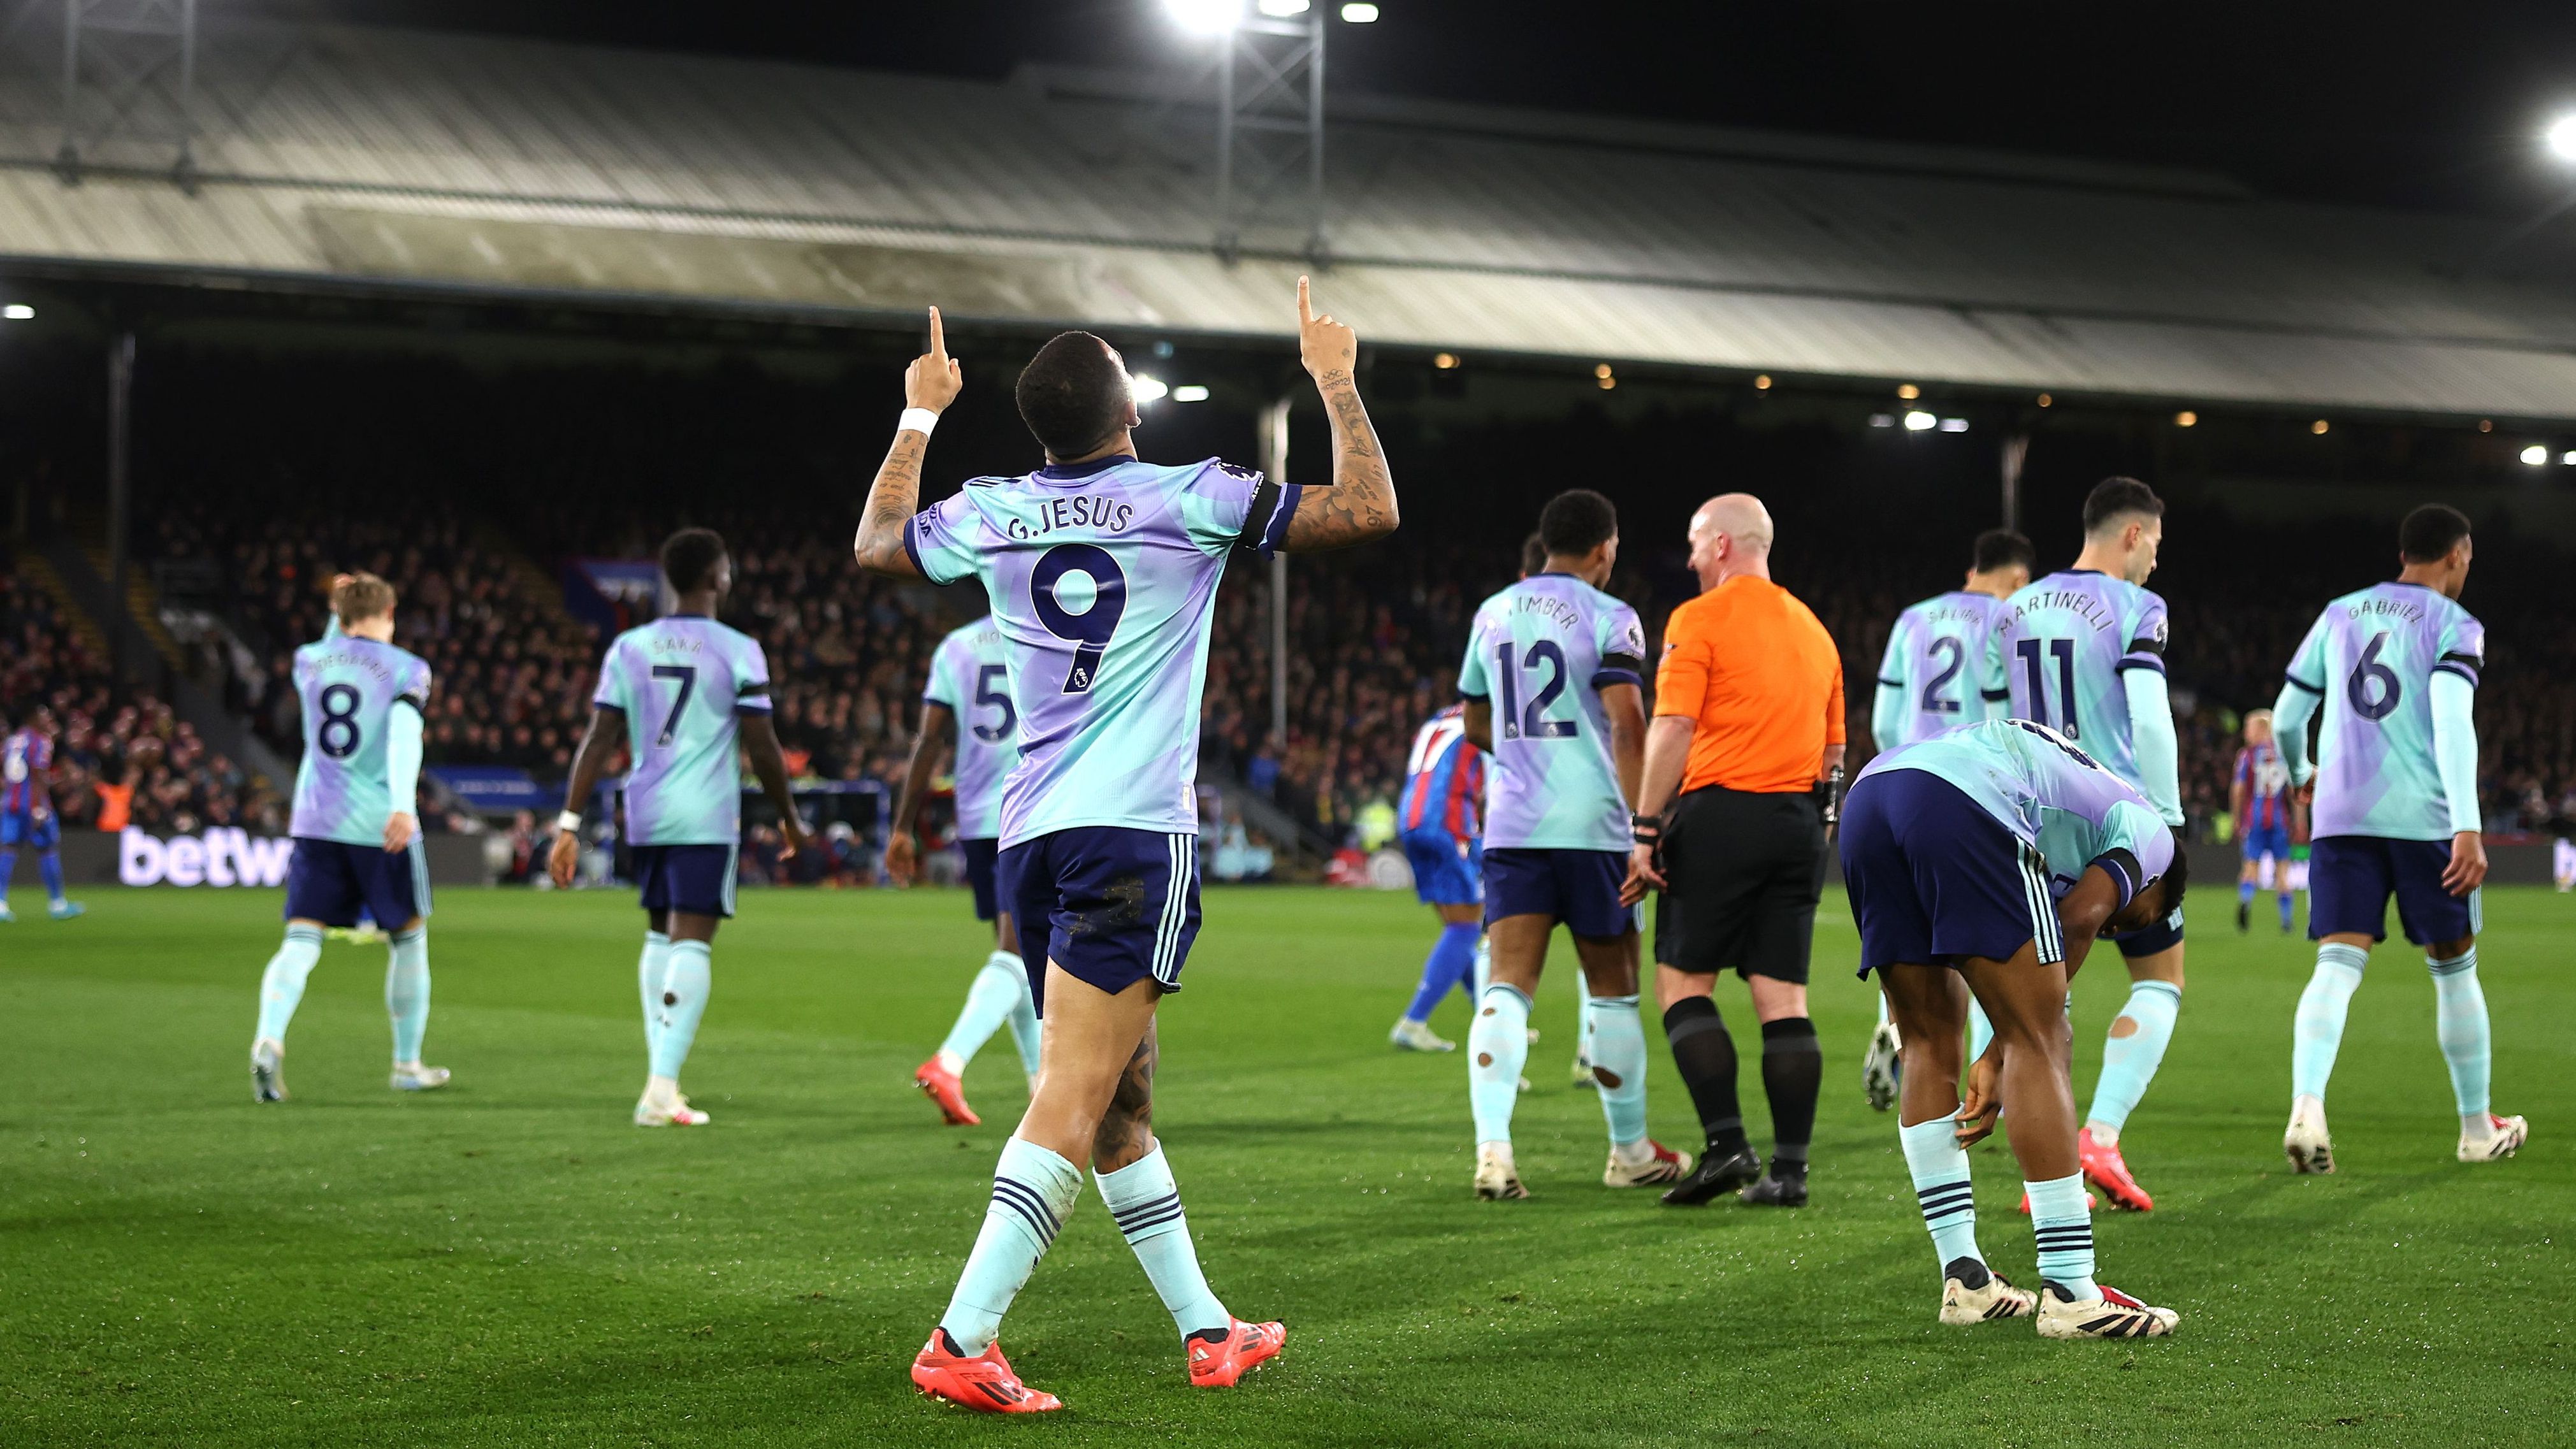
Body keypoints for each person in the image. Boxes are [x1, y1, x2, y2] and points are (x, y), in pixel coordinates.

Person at [858, 284, 1396, 1412]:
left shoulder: (994, 505)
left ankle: (1209, 1328)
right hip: (1133, 836)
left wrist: (919, 414)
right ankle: (963, 1335)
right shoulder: (1185, 492)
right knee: (1071, 1093)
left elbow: (876, 542)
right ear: (1129, 414)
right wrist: (1333, 375)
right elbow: (1367, 510)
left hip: (1033, 831)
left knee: (1119, 1101)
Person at [1842, 717, 2185, 1337]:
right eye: (2135, 922)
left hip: (1872, 794)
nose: (2119, 931)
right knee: (2043, 1037)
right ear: (2160, 890)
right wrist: (2001, 1050)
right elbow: (2083, 916)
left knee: (1925, 1040)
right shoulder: (2152, 836)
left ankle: (1965, 1280)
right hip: (1964, 796)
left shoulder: (2080, 794)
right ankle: (2072, 1291)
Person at [2273, 504, 2526, 1172]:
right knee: (2452, 968)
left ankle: (2306, 1106)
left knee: (2334, 967)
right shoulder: (2454, 625)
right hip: (2423, 820)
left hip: (2341, 814)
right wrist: (2467, 827)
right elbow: (2451, 722)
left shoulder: (2339, 613)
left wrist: (2303, 774)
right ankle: (2475, 1128)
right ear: (2457, 555)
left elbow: (2288, 714)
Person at [1460, 488, 1689, 1200]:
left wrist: (1525, 763)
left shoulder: (1493, 611)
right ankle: (1628, 1152)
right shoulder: (1611, 616)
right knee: (1614, 992)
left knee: (1506, 986)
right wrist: (1644, 824)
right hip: (1593, 827)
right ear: (1603, 549)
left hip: (1514, 826)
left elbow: (1474, 721)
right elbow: (1627, 726)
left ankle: (1493, 1152)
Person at [1623, 493, 1845, 1208]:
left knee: (1683, 985)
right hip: (1798, 822)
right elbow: (1836, 749)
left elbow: (1673, 727)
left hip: (1721, 813)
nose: (1689, 558)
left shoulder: (1698, 618)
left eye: (1694, 544)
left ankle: (1725, 1145)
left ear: (1720, 545)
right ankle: (1789, 1171)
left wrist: (1645, 829)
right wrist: (1819, 829)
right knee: (1783, 998)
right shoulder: (1816, 630)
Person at [549, 529, 811, 1128]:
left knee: (658, 938)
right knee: (691, 941)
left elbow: (598, 740)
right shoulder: (738, 648)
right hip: (706, 815)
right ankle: (661, 1089)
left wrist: (567, 823)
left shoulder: (629, 647)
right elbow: (764, 746)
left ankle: (661, 1080)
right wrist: (791, 820)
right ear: (718, 577)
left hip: (645, 812)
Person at [1984, 477, 2183, 1213]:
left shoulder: (2010, 611)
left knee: (2035, 998)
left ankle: (2048, 1175)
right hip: (2113, 823)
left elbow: (1995, 725)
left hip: (2030, 820)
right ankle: (2099, 1136)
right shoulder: (2137, 606)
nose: (2155, 562)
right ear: (2132, 534)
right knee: (2159, 979)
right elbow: (2152, 716)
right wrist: (2167, 819)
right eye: (2155, 544)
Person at [248, 573, 446, 1102]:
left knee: (301, 939)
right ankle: (406, 1064)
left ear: (339, 614)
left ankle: (269, 1038)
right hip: (381, 821)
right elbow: (405, 735)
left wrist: (339, 603)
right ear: (390, 610)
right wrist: (404, 804)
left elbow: (338, 643)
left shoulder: (310, 659)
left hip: (316, 819)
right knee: (408, 938)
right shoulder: (408, 668)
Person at [1859, 528, 2035, 1109]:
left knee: (1908, 940)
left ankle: (1894, 1028)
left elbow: (1885, 717)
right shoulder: (2012, 619)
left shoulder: (1913, 619)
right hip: (1974, 791)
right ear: (2016, 578)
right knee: (1990, 946)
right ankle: (1994, 1084)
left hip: (1898, 789)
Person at [891, 609, 1041, 1124]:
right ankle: (949, 1063)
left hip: (979, 816)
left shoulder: (955, 646)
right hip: (1035, 807)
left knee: (1019, 954)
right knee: (1017, 951)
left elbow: (929, 740)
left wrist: (902, 825)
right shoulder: (1048, 626)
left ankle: (1043, 1086)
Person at [1389, 701, 1486, 1052]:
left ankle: (1493, 1018)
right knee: (1466, 927)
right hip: (1448, 821)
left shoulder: (1441, 717)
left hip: (1412, 818)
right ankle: (1414, 1021)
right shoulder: (1491, 713)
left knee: (1455, 928)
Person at [1, 706, 85, 922]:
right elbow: (38, 775)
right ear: (33, 718)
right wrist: (38, 807)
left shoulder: (13, 740)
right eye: (44, 716)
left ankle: (0, 904)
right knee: (48, 849)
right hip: (33, 803)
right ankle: (57, 904)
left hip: (11, 802)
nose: (48, 719)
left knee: (8, 849)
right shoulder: (41, 741)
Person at [2230, 709, 2299, 934]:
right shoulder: (2284, 755)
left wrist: (2237, 817)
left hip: (2255, 820)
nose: (2245, 733)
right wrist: (2300, 823)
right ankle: (2286, 921)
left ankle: (2246, 901)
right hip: (2280, 821)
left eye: (2248, 727)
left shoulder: (2247, 756)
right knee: (2282, 873)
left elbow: (2239, 790)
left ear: (2261, 729)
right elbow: (2294, 793)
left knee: (2250, 868)